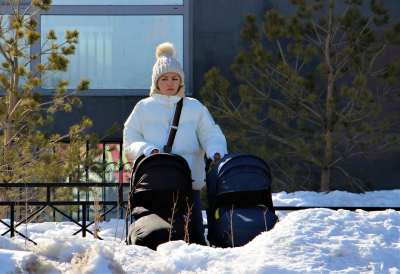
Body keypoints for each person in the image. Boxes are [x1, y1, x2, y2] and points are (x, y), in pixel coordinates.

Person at [123, 42, 227, 244]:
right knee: (155, 228)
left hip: (189, 184)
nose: (170, 83)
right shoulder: (143, 107)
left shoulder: (194, 107)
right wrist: (146, 150)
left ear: (181, 81)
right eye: (164, 78)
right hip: (154, 184)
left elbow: (210, 132)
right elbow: (130, 138)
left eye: (175, 78)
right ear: (156, 82)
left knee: (195, 233)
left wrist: (215, 149)